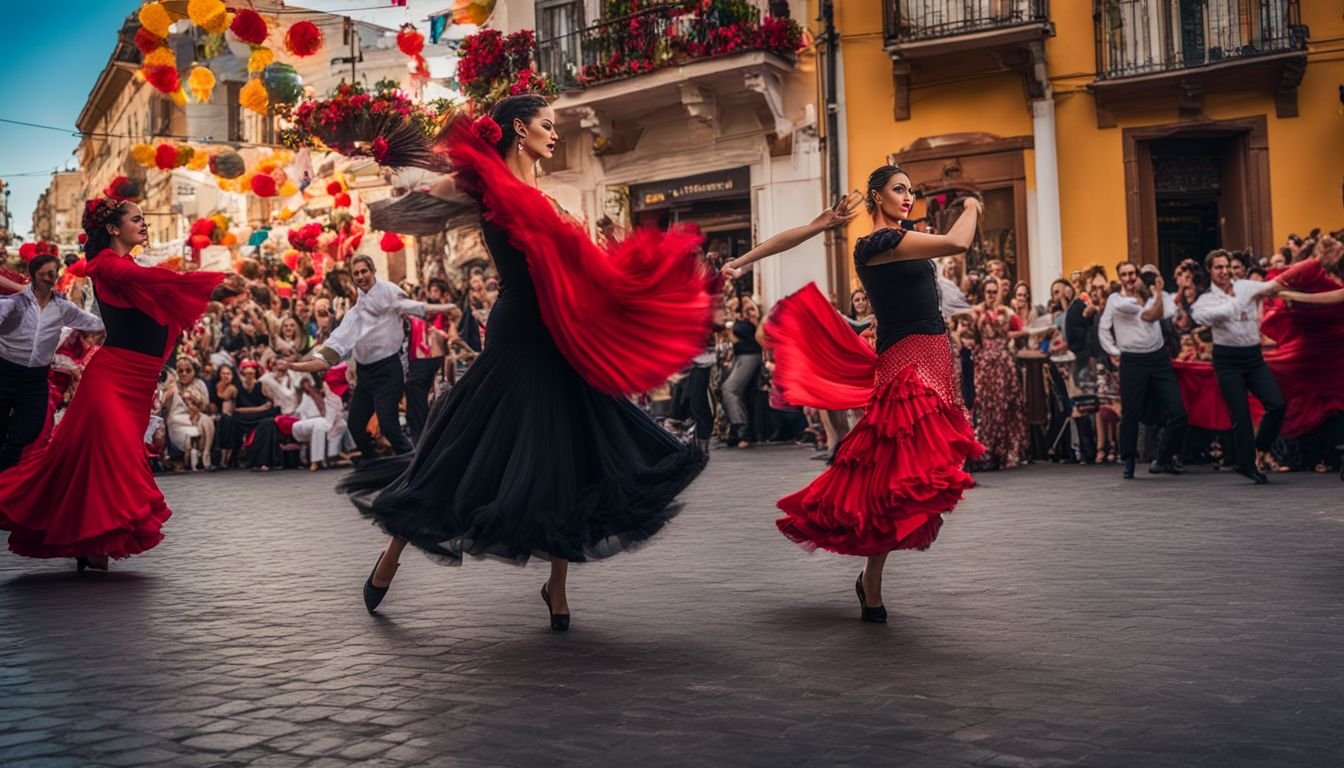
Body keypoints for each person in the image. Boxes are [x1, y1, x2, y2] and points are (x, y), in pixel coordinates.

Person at [333, 95, 716, 629]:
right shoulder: (486, 184)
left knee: (570, 457)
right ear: (519, 128)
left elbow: (588, 271)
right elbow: (419, 202)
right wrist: (387, 181)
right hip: (516, 332)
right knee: (459, 451)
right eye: (546, 125)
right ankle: (391, 556)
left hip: (563, 334)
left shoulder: (553, 202)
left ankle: (557, 589)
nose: (553, 135)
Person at [735, 166, 985, 622]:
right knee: (899, 473)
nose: (907, 197)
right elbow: (958, 243)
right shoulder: (877, 244)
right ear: (877, 196)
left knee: (899, 475)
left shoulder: (903, 238)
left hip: (932, 353)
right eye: (898, 189)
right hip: (905, 360)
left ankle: (871, 580)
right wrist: (971, 205)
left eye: (911, 190)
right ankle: (868, 577)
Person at [0, 198, 230, 569]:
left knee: (84, 462)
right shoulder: (106, 265)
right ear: (112, 228)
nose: (145, 225)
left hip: (139, 382)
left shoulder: (128, 265)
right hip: (110, 380)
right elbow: (147, 280)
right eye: (136, 219)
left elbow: (153, 301)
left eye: (145, 219)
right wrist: (207, 282)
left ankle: (92, 542)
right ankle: (92, 538)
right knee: (114, 457)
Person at [288, 255, 453, 460]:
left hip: (388, 371)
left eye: (364, 271)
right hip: (366, 376)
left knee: (388, 424)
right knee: (355, 425)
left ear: (373, 271)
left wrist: (446, 308)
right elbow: (331, 349)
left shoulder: (389, 292)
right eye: (356, 273)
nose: (361, 276)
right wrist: (298, 366)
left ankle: (413, 467)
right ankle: (372, 465)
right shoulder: (354, 315)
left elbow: (414, 307)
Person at [1190, 249, 1287, 484]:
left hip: (1253, 356)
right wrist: (1235, 305)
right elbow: (1202, 317)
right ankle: (1247, 464)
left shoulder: (1245, 286)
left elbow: (1273, 286)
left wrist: (1293, 280)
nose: (1224, 272)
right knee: (1240, 415)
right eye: (1218, 268)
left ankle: (1260, 447)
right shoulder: (1205, 300)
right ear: (1210, 271)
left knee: (1277, 404)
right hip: (1227, 360)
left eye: (1226, 266)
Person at [0, 253, 105, 470]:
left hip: (35, 379)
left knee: (30, 427)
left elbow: (92, 323)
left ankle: (6, 469)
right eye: (44, 274)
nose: (50, 278)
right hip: (6, 372)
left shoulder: (62, 307)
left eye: (53, 273)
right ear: (33, 276)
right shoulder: (13, 304)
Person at [1098, 260, 1187, 479]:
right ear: (1119, 278)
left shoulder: (1152, 297)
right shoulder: (1117, 300)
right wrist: (1114, 352)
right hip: (1132, 360)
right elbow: (1104, 327)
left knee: (1178, 411)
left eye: (1132, 274)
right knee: (1131, 413)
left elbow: (1169, 310)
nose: (1129, 278)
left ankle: (1163, 458)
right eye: (1124, 274)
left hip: (1158, 358)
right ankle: (1128, 459)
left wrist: (1160, 289)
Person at [405, 278, 451, 441]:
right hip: (420, 358)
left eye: (436, 291)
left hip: (435, 358)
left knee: (430, 396)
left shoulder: (446, 312)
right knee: (418, 396)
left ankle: (424, 435)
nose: (433, 294)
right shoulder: (426, 312)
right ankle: (421, 434)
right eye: (431, 291)